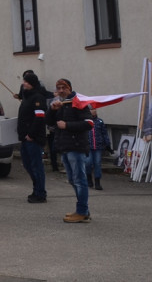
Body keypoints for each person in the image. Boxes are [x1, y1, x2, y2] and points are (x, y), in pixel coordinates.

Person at [47, 78, 94, 223]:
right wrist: (52, 110)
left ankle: (81, 211)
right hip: (65, 147)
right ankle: (83, 210)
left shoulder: (77, 103)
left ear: (69, 88)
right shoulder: (60, 104)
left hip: (76, 147)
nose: (61, 90)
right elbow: (49, 123)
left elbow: (89, 123)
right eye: (58, 88)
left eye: (64, 88)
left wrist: (67, 125)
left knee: (80, 180)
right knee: (73, 180)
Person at [17, 72, 48, 203]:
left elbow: (39, 118)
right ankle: (36, 189)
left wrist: (31, 134)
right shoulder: (26, 97)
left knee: (36, 166)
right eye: (24, 81)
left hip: (33, 139)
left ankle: (40, 193)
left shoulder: (38, 98)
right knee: (28, 165)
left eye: (27, 82)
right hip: (24, 138)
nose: (24, 83)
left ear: (32, 84)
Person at [86, 107, 111, 190]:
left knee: (97, 163)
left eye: (94, 109)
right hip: (88, 146)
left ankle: (97, 182)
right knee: (88, 163)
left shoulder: (99, 121)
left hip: (98, 146)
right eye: (91, 109)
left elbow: (104, 133)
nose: (93, 111)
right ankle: (89, 179)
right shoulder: (85, 122)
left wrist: (107, 145)